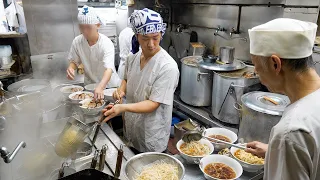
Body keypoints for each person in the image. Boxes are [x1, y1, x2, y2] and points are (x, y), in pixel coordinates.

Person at [246, 18, 320, 180]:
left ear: (275, 64)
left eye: (256, 67)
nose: (257, 75)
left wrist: (284, 146)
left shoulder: (290, 132)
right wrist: (275, 151)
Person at [102, 8, 179, 153]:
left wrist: (122, 108)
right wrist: (121, 90)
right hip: (132, 129)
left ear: (161, 34)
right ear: (137, 36)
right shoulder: (133, 58)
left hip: (151, 134)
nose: (151, 44)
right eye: (145, 38)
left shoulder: (167, 66)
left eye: (155, 37)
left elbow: (153, 104)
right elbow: (126, 78)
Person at [67, 5, 121, 99]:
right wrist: (71, 68)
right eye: (81, 27)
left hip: (109, 86)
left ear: (98, 25)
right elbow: (74, 61)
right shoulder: (77, 41)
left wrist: (101, 86)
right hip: (90, 86)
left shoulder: (106, 43)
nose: (85, 31)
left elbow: (109, 69)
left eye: (88, 27)